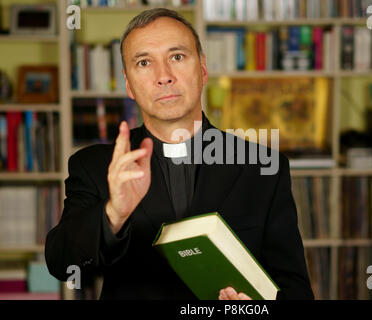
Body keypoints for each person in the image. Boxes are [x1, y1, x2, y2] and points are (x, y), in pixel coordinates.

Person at [45, 8, 314, 300]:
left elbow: (295, 290)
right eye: (144, 62)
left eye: (177, 56)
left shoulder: (265, 168)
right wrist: (114, 214)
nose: (164, 76)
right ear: (128, 84)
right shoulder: (95, 166)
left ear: (203, 69)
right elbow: (65, 265)